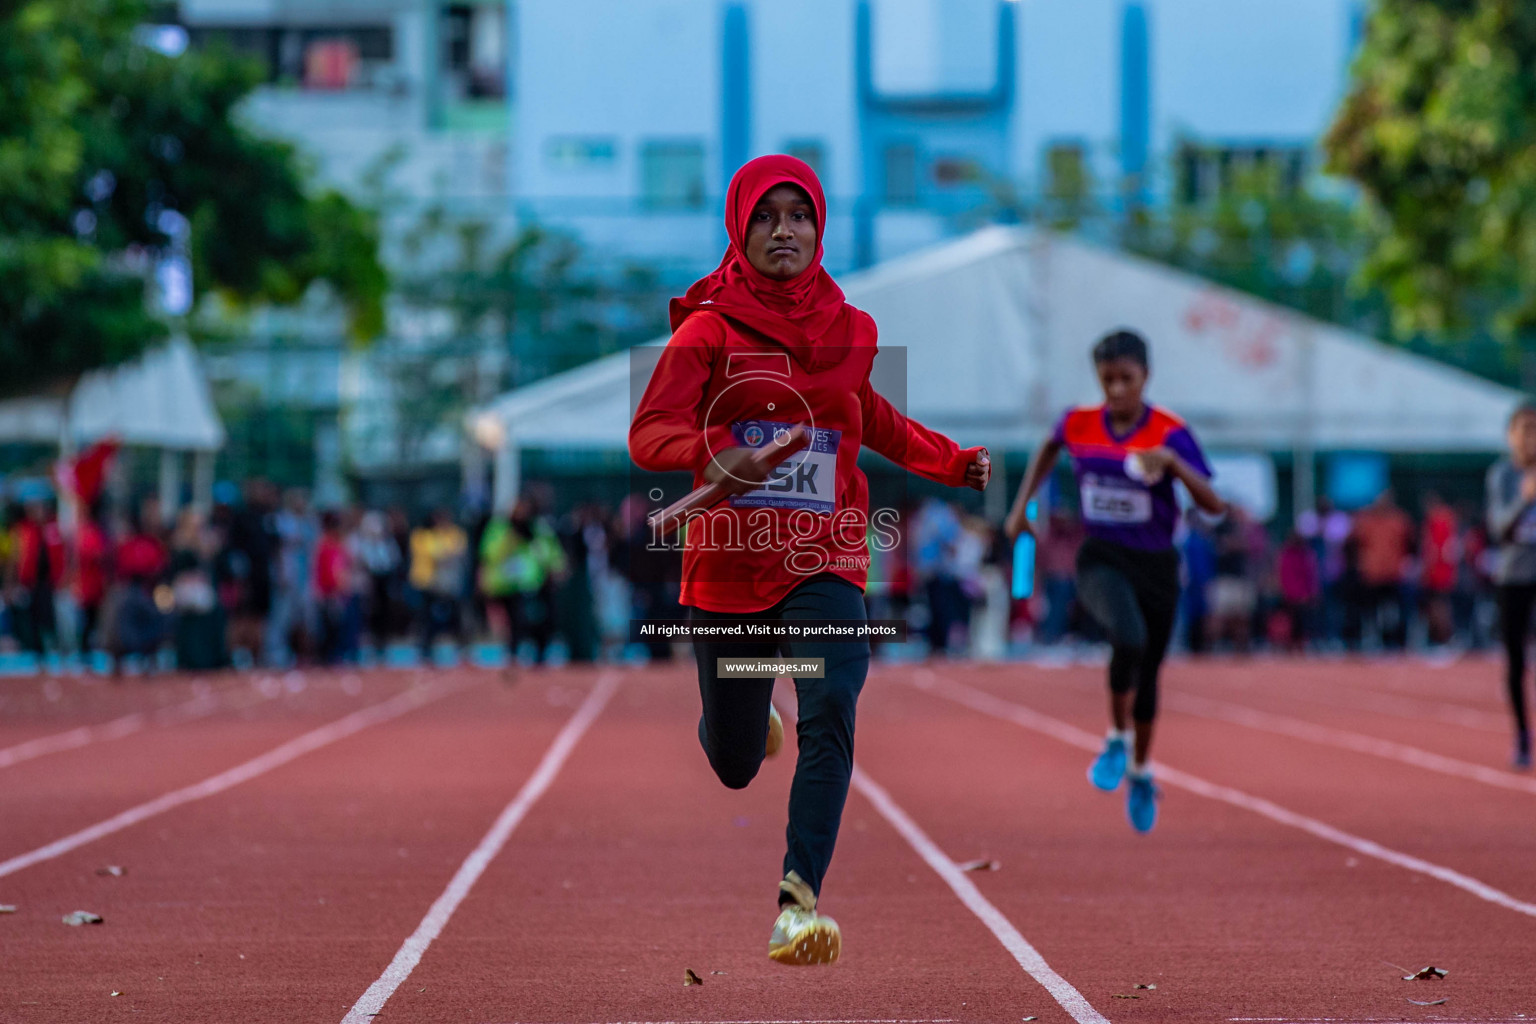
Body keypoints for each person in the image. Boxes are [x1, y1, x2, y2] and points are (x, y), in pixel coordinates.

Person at [628, 155, 990, 965]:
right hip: (726, 567)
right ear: (739, 229)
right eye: (766, 216)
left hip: (824, 555)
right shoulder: (706, 330)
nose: (784, 230)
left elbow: (875, 420)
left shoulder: (850, 330)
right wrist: (719, 454)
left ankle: (798, 904)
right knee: (731, 764)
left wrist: (951, 462)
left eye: (800, 215)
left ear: (820, 228)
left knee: (831, 702)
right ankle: (749, 717)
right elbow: (647, 434)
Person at [1005, 329, 1223, 832]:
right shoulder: (1079, 422)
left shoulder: (1170, 431)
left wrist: (1171, 464)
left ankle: (1142, 773)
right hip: (1101, 556)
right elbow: (1048, 448)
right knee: (1128, 636)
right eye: (1108, 379)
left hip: (1158, 565)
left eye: (1127, 379)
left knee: (1148, 673)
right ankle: (1115, 738)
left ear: (1146, 376)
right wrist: (1021, 509)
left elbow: (1214, 506)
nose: (1117, 389)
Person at [1485, 402, 1536, 768]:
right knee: (1515, 661)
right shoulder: (1502, 475)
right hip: (1513, 576)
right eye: (1525, 429)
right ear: (1511, 436)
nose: (1531, 438)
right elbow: (1499, 528)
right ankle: (1521, 734)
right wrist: (1525, 498)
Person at [479, 497, 567, 673]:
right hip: (507, 585)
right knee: (515, 623)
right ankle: (512, 654)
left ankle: (539, 654)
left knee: (542, 621)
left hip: (536, 583)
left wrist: (557, 567)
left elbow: (552, 551)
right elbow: (488, 553)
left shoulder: (539, 529)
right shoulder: (499, 529)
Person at [410, 508, 468, 662]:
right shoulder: (422, 535)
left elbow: (459, 551)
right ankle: (424, 649)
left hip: (449, 583)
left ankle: (462, 648)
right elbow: (434, 554)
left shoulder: (455, 533)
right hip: (427, 582)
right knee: (426, 619)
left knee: (457, 616)